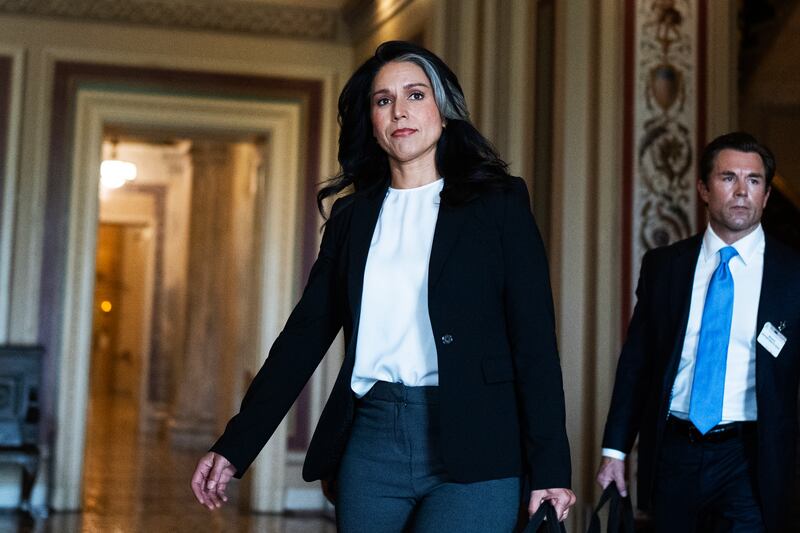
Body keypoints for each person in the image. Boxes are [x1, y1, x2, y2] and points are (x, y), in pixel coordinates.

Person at [190, 40, 575, 531]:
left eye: (416, 95)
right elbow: (301, 340)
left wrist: (551, 469)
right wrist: (233, 446)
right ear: (371, 120)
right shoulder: (353, 218)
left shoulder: (498, 204)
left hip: (478, 443)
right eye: (383, 100)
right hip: (372, 440)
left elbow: (535, 343)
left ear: (442, 108)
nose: (400, 112)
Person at [596, 132, 800, 532]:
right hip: (675, 451)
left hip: (751, 457)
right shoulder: (665, 267)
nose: (742, 191)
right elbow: (637, 364)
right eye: (728, 178)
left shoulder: (792, 274)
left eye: (754, 181)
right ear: (704, 189)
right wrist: (614, 451)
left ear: (766, 196)